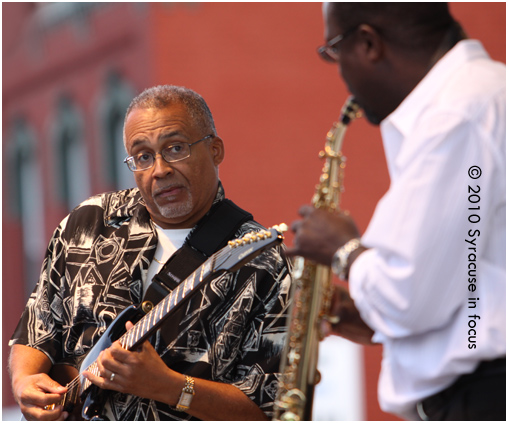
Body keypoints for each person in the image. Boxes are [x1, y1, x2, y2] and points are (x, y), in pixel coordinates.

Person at [9, 85, 292, 421]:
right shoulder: (88, 222)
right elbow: (36, 328)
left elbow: (273, 411)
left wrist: (168, 386)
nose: (159, 169)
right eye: (142, 156)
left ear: (215, 150)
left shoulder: (261, 259)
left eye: (175, 148)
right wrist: (24, 380)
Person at [289, 3, 505, 420]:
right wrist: (371, 316)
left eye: (334, 51)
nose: (341, 74)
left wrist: (344, 251)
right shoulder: (476, 98)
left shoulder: (458, 113)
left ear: (369, 43)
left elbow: (410, 297)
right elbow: (469, 292)